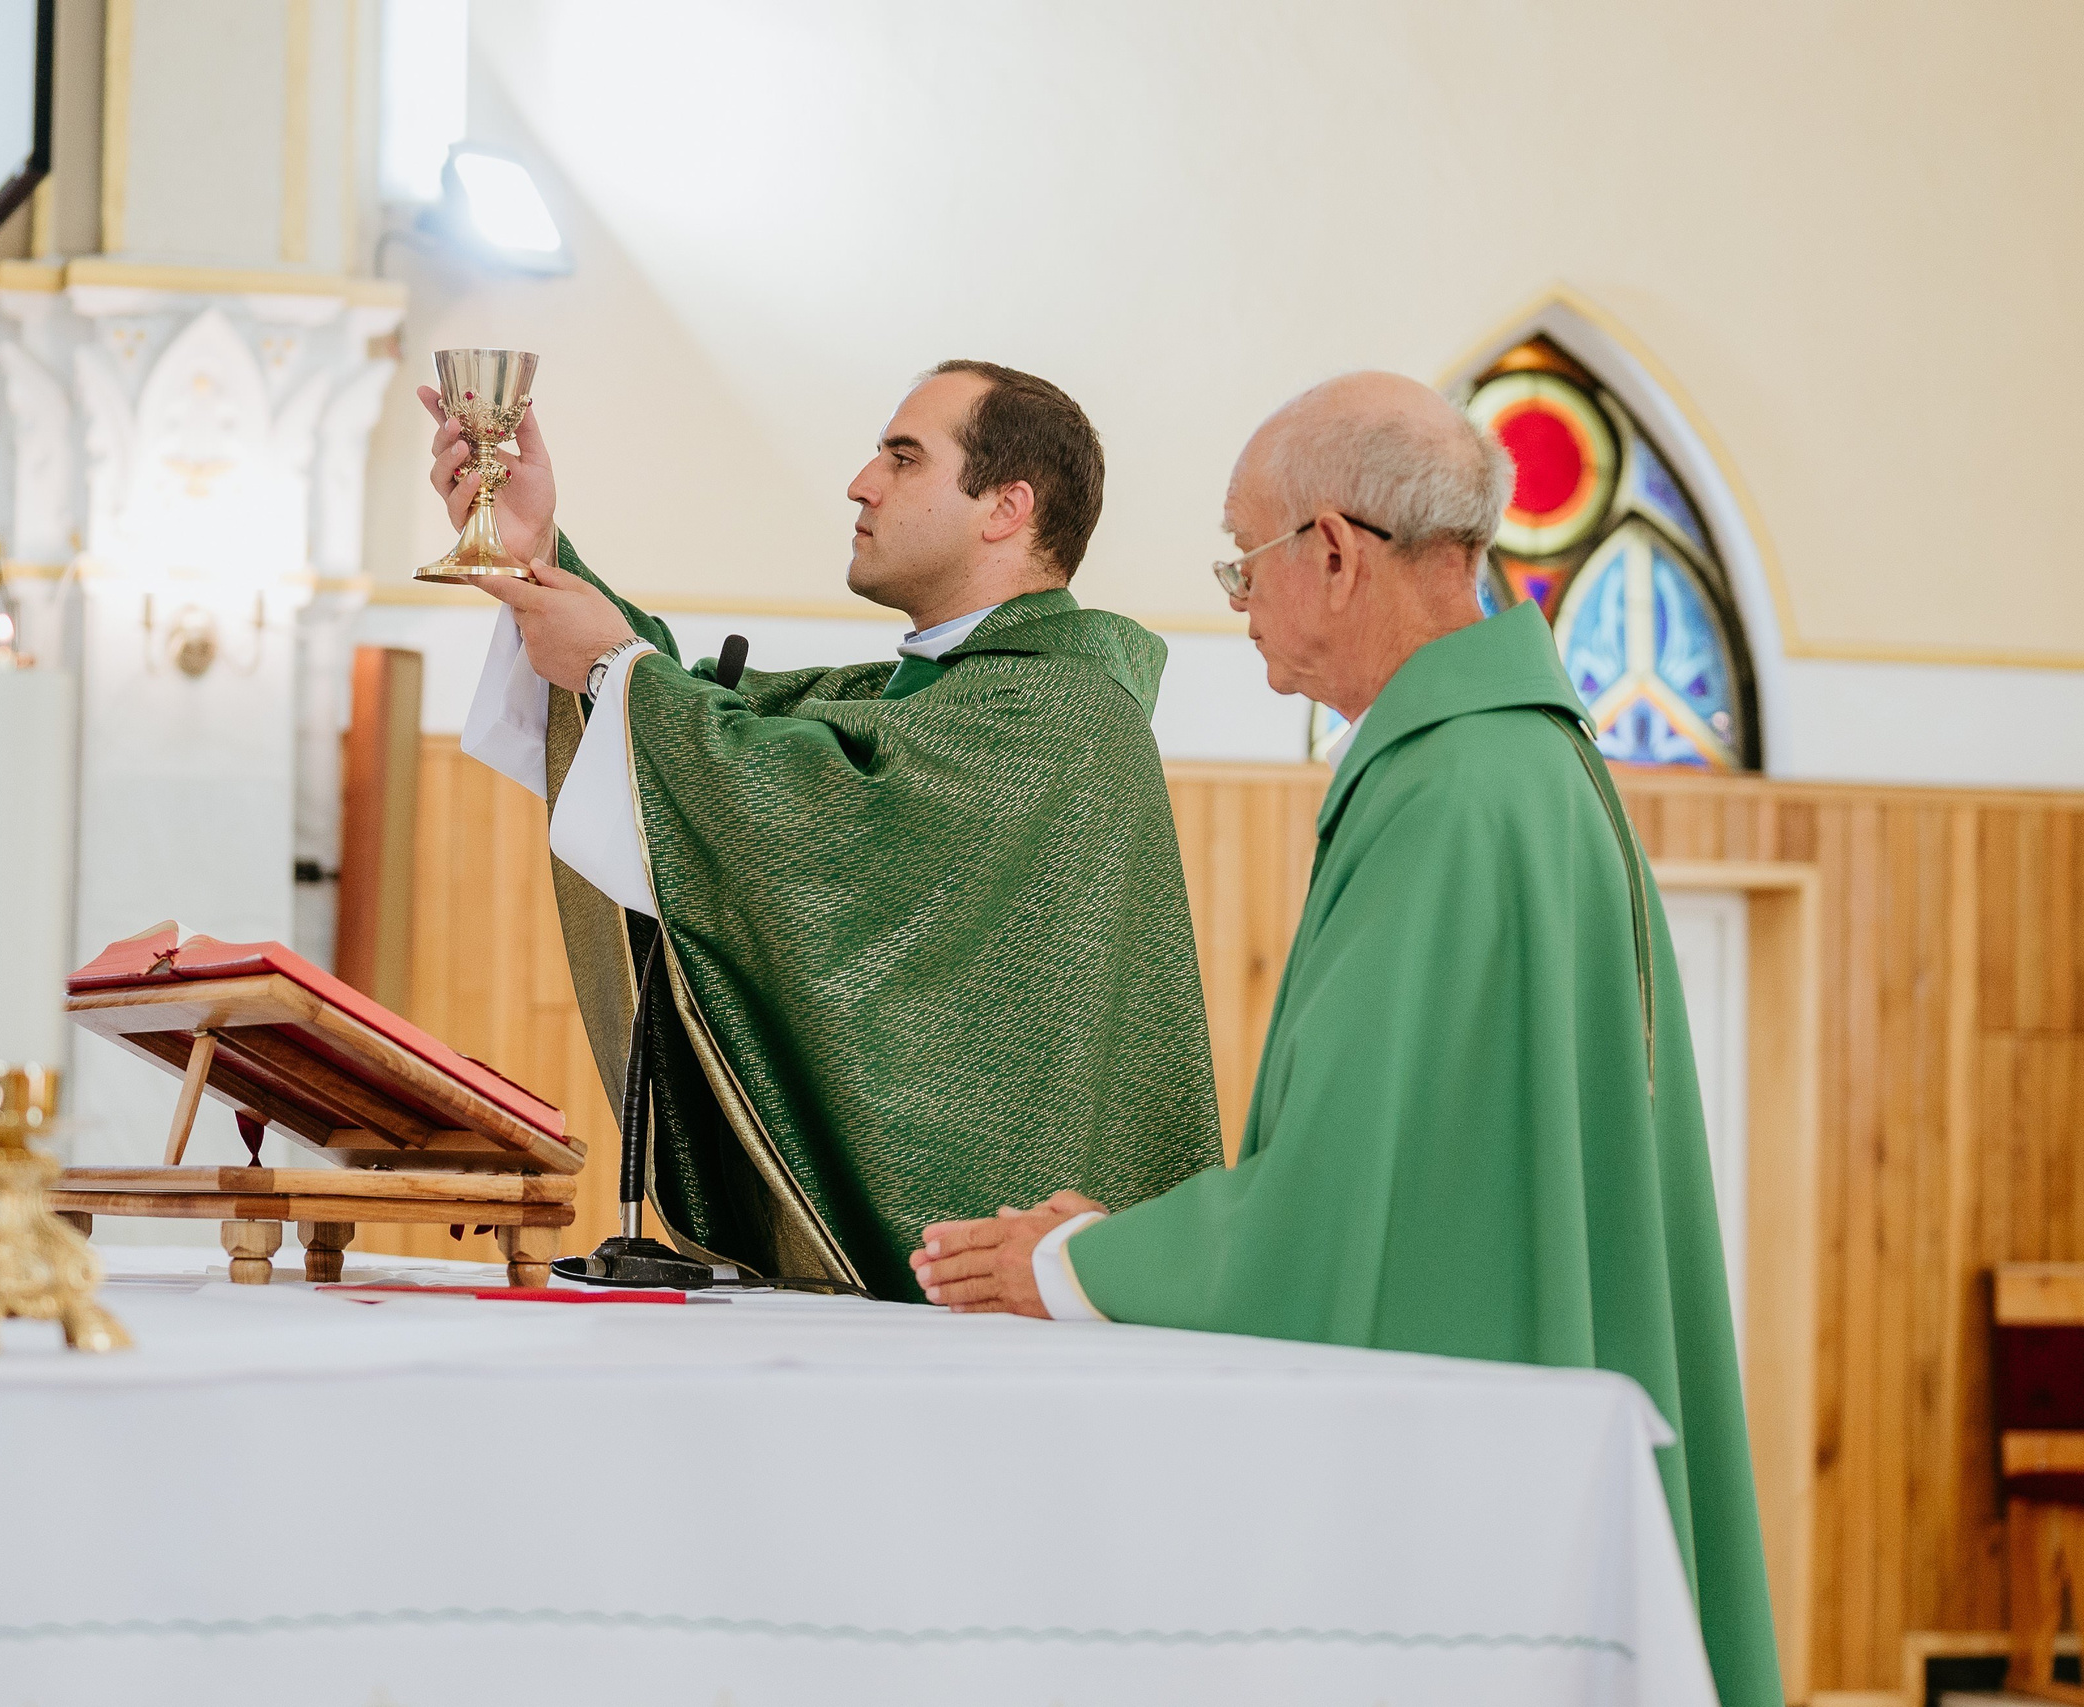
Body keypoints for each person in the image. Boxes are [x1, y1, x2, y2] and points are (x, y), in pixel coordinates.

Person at [908, 371, 1781, 1707]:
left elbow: (1328, 1219)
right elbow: (1417, 1190)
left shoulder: (1451, 791)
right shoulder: (1511, 766)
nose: (1237, 598)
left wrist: (1070, 1263)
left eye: (1242, 558)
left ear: (1330, 551)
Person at [440, 360, 1220, 1303]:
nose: (861, 482)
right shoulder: (919, 694)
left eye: (903, 457)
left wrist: (615, 669)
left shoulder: (1059, 710)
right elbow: (726, 717)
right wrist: (533, 552)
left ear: (1006, 507)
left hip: (997, 1306)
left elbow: (802, 804)